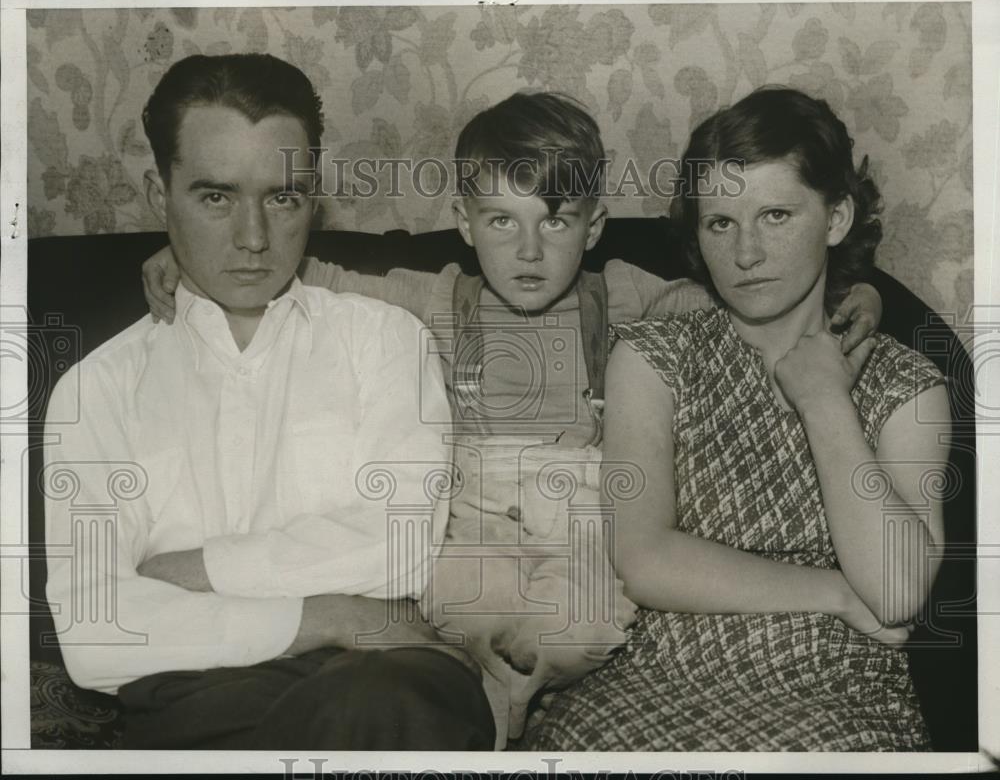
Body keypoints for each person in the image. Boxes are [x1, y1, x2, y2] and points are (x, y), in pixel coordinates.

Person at [140, 90, 883, 745]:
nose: (528, 250)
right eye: (501, 219)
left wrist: (854, 291)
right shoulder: (438, 301)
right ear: (464, 222)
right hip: (477, 530)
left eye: (555, 222)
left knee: (591, 612)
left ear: (593, 227)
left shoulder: (620, 296)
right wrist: (185, 263)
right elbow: (312, 280)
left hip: (581, 535)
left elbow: (723, 303)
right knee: (449, 589)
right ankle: (477, 675)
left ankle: (516, 684)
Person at [43, 53, 495, 750]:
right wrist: (329, 613)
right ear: (159, 196)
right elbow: (96, 629)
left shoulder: (384, 340)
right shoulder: (98, 389)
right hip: (204, 694)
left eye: (282, 198)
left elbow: (399, 546)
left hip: (390, 678)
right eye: (215, 197)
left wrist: (188, 574)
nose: (254, 239)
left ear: (312, 196)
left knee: (380, 705)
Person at [525, 87, 951, 751]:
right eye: (720, 223)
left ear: (836, 218)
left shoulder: (908, 385)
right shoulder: (651, 357)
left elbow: (896, 591)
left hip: (834, 690)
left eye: (776, 215)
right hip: (653, 680)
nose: (745, 252)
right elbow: (643, 558)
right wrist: (838, 593)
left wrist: (824, 399)